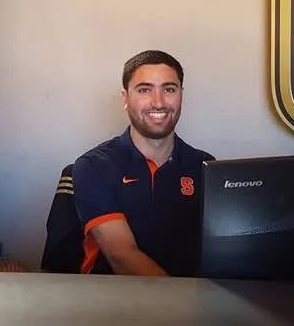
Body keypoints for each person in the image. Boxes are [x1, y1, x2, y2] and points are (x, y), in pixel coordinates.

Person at [72, 50, 215, 277]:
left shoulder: (204, 165)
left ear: (181, 95)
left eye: (169, 89)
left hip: (193, 292)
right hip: (115, 296)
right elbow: (122, 256)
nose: (158, 103)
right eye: (144, 90)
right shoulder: (94, 166)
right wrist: (183, 298)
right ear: (125, 98)